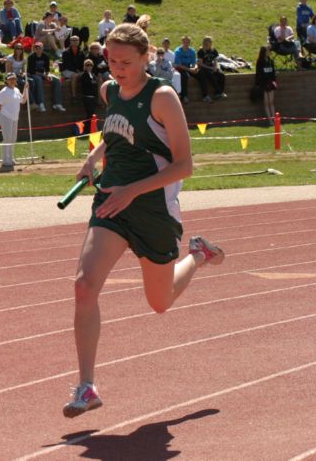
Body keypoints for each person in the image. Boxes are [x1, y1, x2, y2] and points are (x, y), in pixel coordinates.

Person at [64, 30, 226, 423]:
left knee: (160, 302)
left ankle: (198, 255)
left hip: (152, 207)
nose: (117, 70)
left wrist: (133, 192)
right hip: (112, 202)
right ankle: (86, 386)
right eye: (111, 61)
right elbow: (118, 129)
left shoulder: (162, 98)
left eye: (125, 63)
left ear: (145, 57)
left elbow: (184, 165)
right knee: (84, 286)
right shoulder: (109, 90)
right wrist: (95, 156)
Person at [0, 73, 28, 173]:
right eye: (10, 79)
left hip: (14, 118)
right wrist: (5, 113)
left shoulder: (16, 90)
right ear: (7, 80)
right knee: (7, 138)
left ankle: (11, 158)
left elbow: (23, 101)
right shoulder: (3, 92)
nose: (12, 81)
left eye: (14, 79)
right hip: (6, 117)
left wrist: (26, 89)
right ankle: (5, 160)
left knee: (13, 138)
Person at [27, 42, 64, 112]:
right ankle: (41, 103)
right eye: (36, 48)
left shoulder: (45, 56)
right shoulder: (31, 57)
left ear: (42, 48)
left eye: (39, 48)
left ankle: (57, 103)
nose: (38, 49)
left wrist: (47, 75)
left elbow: (47, 69)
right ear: (34, 49)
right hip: (33, 74)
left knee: (56, 80)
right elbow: (31, 70)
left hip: (43, 74)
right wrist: (43, 75)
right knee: (39, 80)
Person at [196, 36, 227, 102]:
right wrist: (210, 68)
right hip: (203, 68)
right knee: (210, 75)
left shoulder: (213, 50)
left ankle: (218, 93)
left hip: (211, 67)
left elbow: (215, 61)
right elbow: (200, 64)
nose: (207, 45)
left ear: (211, 43)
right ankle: (219, 92)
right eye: (205, 44)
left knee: (221, 75)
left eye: (208, 43)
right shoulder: (201, 51)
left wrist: (215, 67)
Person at [254, 45, 277, 121]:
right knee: (266, 103)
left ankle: (274, 119)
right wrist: (259, 84)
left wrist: (274, 82)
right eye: (268, 51)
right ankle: (270, 120)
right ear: (264, 52)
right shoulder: (260, 62)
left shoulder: (270, 61)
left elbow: (273, 73)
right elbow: (258, 74)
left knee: (271, 102)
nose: (269, 52)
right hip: (263, 84)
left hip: (270, 83)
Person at [173, 36, 198, 104]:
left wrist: (195, 68)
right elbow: (179, 65)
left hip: (188, 67)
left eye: (188, 42)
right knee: (184, 76)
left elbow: (194, 62)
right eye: (185, 42)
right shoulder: (178, 51)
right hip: (179, 68)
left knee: (201, 74)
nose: (186, 43)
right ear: (182, 42)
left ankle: (205, 95)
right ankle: (184, 96)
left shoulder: (192, 51)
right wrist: (190, 70)